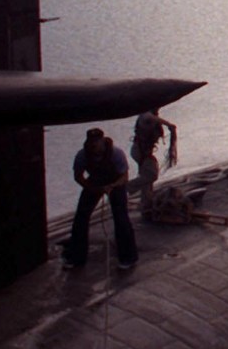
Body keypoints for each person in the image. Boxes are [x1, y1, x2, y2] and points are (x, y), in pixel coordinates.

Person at [63, 128, 138, 270]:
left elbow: (124, 176)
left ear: (103, 141)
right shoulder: (82, 156)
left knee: (121, 217)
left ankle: (128, 257)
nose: (94, 145)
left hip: (115, 182)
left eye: (96, 142)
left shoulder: (116, 154)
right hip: (95, 182)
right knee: (81, 217)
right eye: (91, 142)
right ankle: (76, 257)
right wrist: (93, 188)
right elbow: (78, 177)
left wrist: (112, 186)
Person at [129, 108, 177, 215]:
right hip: (139, 152)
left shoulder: (152, 117)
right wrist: (168, 124)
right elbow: (149, 117)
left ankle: (146, 203)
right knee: (152, 175)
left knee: (147, 179)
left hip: (145, 152)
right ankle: (126, 187)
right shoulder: (145, 116)